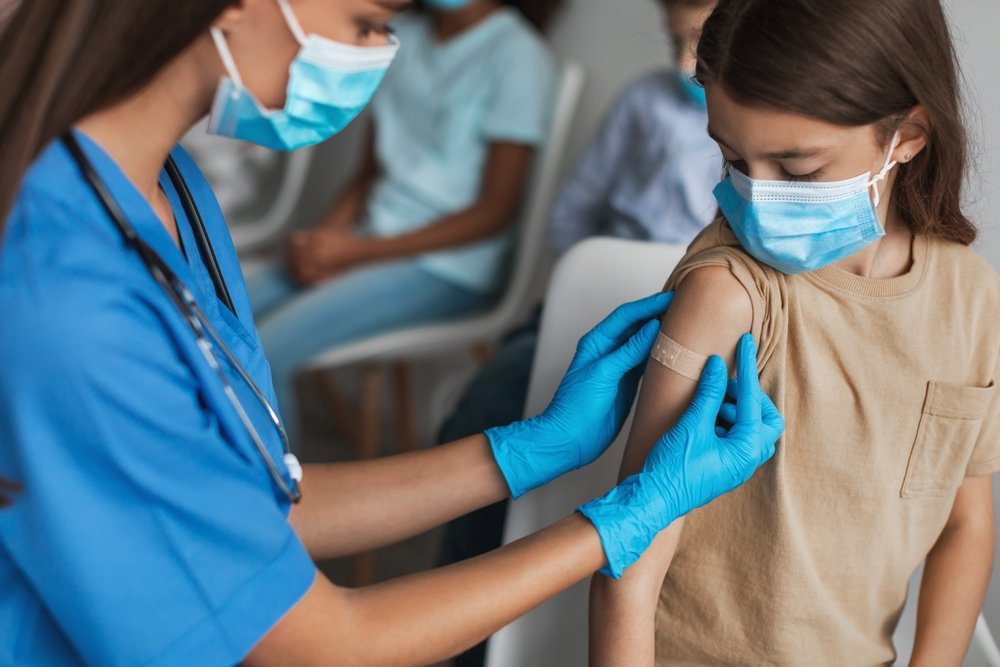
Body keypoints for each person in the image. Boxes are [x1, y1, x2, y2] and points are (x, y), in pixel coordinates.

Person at [0, 1, 783, 665]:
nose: (377, 55)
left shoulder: (172, 191)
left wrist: (526, 449)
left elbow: (249, 497)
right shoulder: (66, 300)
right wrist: (626, 518)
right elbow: (318, 641)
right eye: (368, 21)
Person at [590, 0, 1000, 665]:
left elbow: (965, 522)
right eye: (733, 161)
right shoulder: (728, 295)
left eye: (800, 170)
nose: (757, 198)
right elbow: (630, 556)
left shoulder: (974, 302)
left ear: (909, 135)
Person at [434, 4, 719, 663]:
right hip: (591, 313)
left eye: (703, 42)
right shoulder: (643, 104)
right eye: (673, 40)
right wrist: (583, 284)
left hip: (688, 333)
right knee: (484, 411)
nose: (683, 62)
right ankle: (464, 638)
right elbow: (573, 215)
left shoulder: (768, 137)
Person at [245, 0, 561, 445]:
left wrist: (355, 252)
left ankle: (271, 503)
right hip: (369, 241)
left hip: (450, 268)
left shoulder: (519, 57)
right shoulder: (400, 38)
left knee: (265, 353)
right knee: (220, 314)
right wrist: (324, 239)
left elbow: (492, 214)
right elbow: (369, 173)